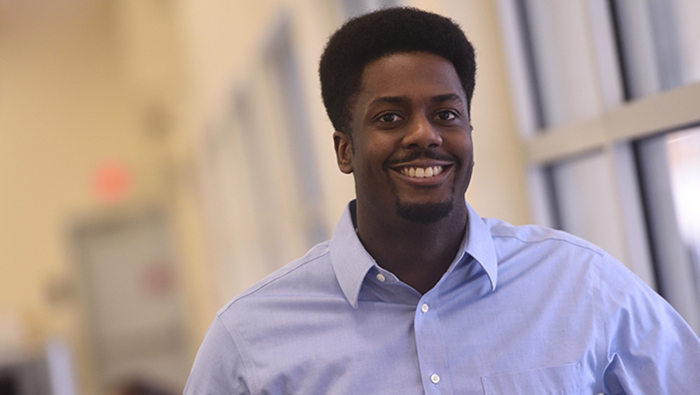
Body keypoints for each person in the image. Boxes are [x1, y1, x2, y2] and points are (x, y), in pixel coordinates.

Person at [184, 7, 700, 395]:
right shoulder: (249, 342)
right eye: (390, 117)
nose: (423, 135)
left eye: (447, 114)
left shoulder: (583, 286)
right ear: (345, 149)